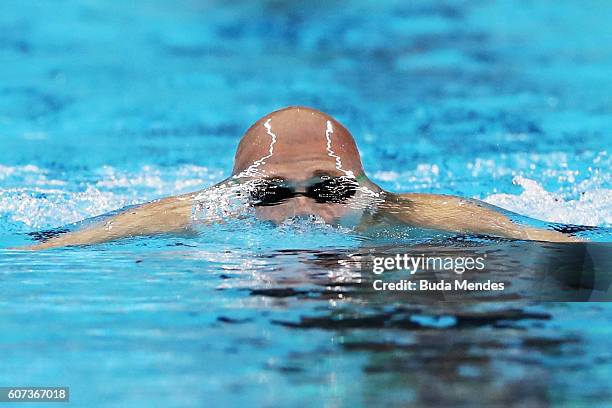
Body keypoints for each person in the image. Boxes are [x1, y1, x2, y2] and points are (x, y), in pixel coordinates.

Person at [20, 106, 579, 250]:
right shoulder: (191, 212)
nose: (302, 211)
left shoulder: (404, 212)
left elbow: (547, 241)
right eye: (269, 192)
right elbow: (60, 247)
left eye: (328, 188)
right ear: (233, 197)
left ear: (366, 193)